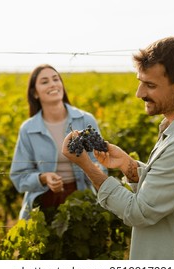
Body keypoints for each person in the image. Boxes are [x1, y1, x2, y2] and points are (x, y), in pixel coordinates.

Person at [62, 37, 174, 260]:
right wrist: (127, 166)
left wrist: (87, 166)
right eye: (140, 81)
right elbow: (165, 185)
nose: (139, 93)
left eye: (150, 85)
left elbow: (138, 212)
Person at [10, 64, 107, 221]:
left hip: (84, 200)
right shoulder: (28, 129)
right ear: (35, 93)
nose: (53, 84)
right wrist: (43, 178)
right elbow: (19, 178)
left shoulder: (85, 120)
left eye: (56, 79)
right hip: (43, 205)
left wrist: (95, 169)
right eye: (45, 81)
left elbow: (101, 161)